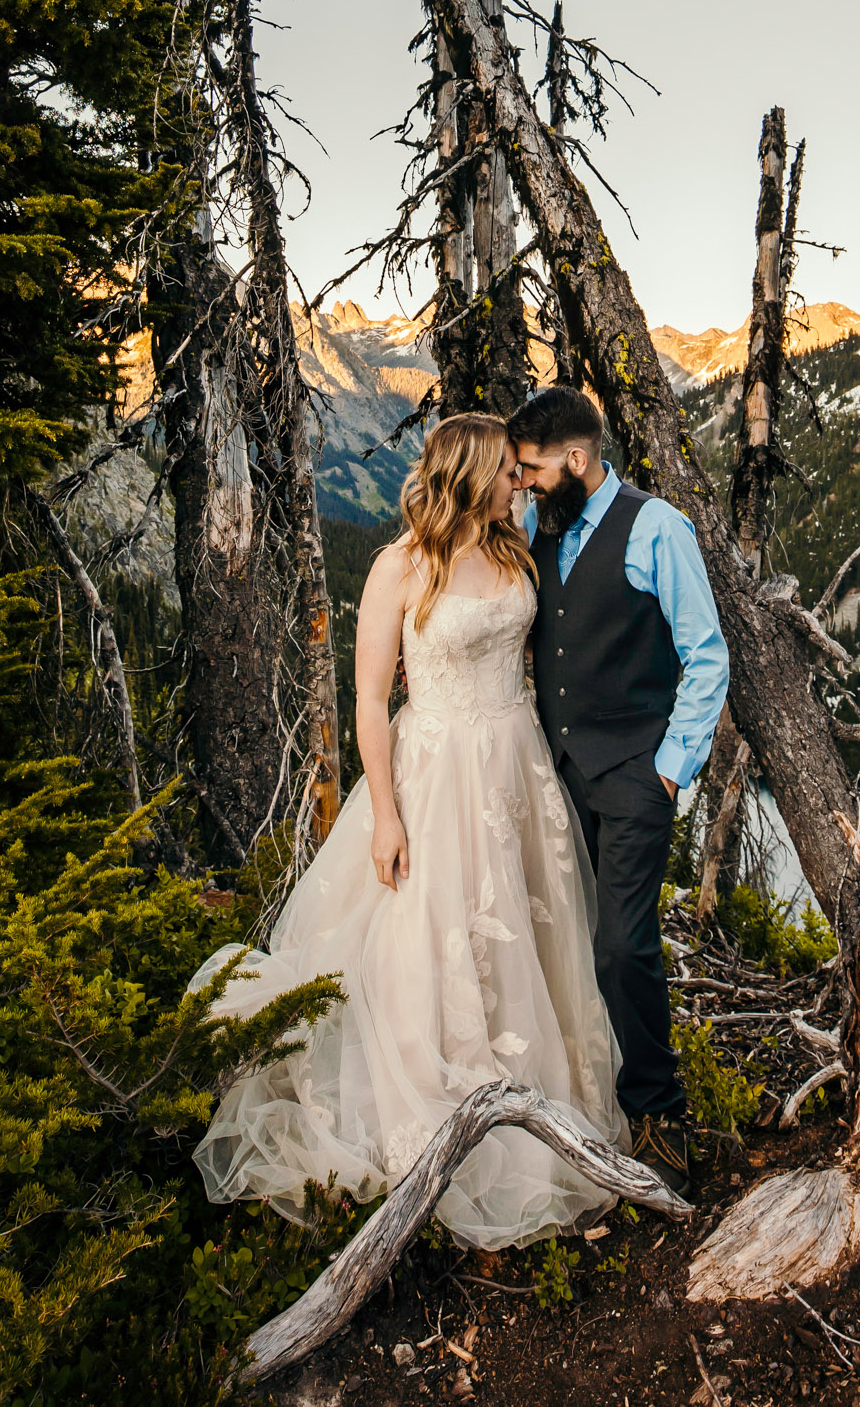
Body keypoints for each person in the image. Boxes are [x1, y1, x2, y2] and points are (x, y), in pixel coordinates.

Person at [186, 413, 629, 1248]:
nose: (521, 483)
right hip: (435, 774)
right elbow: (366, 699)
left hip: (515, 763)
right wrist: (385, 813)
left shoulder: (513, 548)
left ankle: (535, 1093)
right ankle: (441, 1099)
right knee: (434, 936)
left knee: (526, 934)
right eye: (507, 472)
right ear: (471, 475)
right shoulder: (400, 566)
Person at [506, 384, 730, 1197]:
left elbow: (706, 655)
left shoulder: (657, 529)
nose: (523, 483)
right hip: (559, 773)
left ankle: (660, 1112)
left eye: (532, 468)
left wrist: (669, 769)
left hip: (636, 772)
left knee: (620, 943)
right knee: (563, 935)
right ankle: (589, 1088)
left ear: (576, 458)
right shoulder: (539, 523)